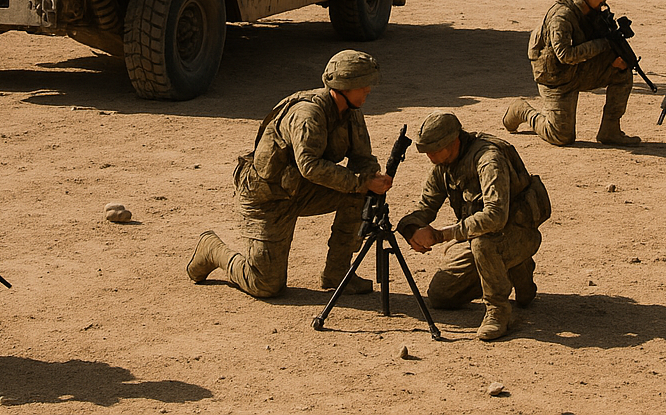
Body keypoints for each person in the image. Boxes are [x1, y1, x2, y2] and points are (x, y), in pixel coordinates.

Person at [186, 51, 392, 298]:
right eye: (363, 85)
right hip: (267, 197)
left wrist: (372, 177)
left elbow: (362, 157)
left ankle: (338, 274)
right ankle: (212, 249)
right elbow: (310, 166)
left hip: (302, 189)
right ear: (344, 87)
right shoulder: (308, 114)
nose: (368, 89)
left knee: (362, 194)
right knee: (265, 285)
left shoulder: (352, 112)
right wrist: (361, 181)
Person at [397, 112, 547, 342]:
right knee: (442, 296)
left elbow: (495, 216)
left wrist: (442, 235)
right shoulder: (443, 164)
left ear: (453, 141)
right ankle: (511, 270)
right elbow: (426, 206)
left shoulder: (489, 160)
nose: (430, 156)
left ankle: (498, 311)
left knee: (483, 242)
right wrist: (409, 228)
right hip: (481, 237)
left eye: (434, 150)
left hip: (518, 233)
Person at [503, 0, 640, 147]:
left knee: (622, 70)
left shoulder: (593, 11)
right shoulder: (562, 16)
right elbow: (565, 55)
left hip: (578, 69)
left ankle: (610, 131)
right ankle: (522, 110)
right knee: (561, 136)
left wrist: (614, 57)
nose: (604, 1)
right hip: (556, 77)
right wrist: (605, 43)